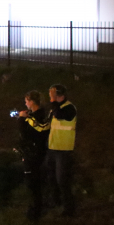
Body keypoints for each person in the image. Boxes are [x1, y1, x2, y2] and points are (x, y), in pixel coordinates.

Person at [17, 90, 50, 221]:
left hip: (32, 154)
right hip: (39, 152)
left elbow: (25, 135)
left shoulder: (34, 119)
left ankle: (35, 211)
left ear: (31, 102)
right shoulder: (43, 115)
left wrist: (21, 119)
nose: (25, 104)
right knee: (36, 182)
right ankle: (37, 207)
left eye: (26, 101)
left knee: (32, 183)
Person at [45, 83, 77, 217]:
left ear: (60, 96)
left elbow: (59, 115)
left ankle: (69, 208)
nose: (50, 98)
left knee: (62, 180)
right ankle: (55, 201)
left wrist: (53, 102)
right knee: (51, 177)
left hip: (64, 150)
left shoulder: (69, 108)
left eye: (52, 95)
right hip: (53, 148)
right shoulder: (55, 108)